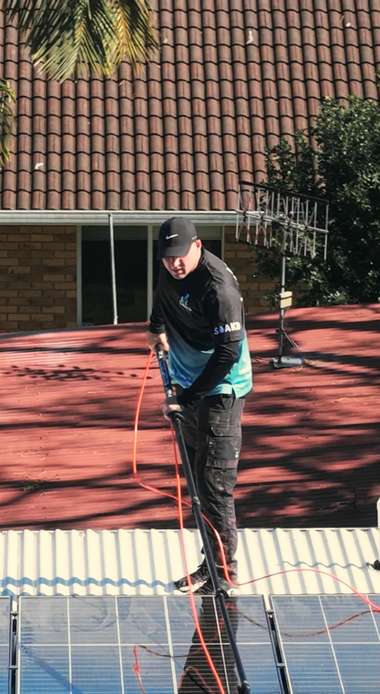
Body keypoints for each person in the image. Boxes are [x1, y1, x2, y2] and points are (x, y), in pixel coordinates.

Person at [148, 216, 253, 594]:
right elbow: (163, 296)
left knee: (214, 486)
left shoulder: (218, 287)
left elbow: (227, 353)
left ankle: (225, 574)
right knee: (196, 481)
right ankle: (210, 563)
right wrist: (156, 325)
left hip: (221, 390)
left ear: (198, 246)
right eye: (168, 257)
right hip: (188, 382)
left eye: (181, 255)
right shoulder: (170, 270)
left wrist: (185, 399)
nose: (174, 263)